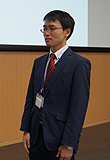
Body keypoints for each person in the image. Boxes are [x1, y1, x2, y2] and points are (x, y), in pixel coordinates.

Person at [20, 10, 91, 160]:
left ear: (67, 32)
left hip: (59, 138)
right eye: (44, 29)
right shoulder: (39, 62)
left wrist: (69, 144)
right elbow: (30, 98)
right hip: (36, 135)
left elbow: (78, 108)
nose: (47, 33)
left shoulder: (79, 64)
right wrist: (26, 129)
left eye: (52, 28)